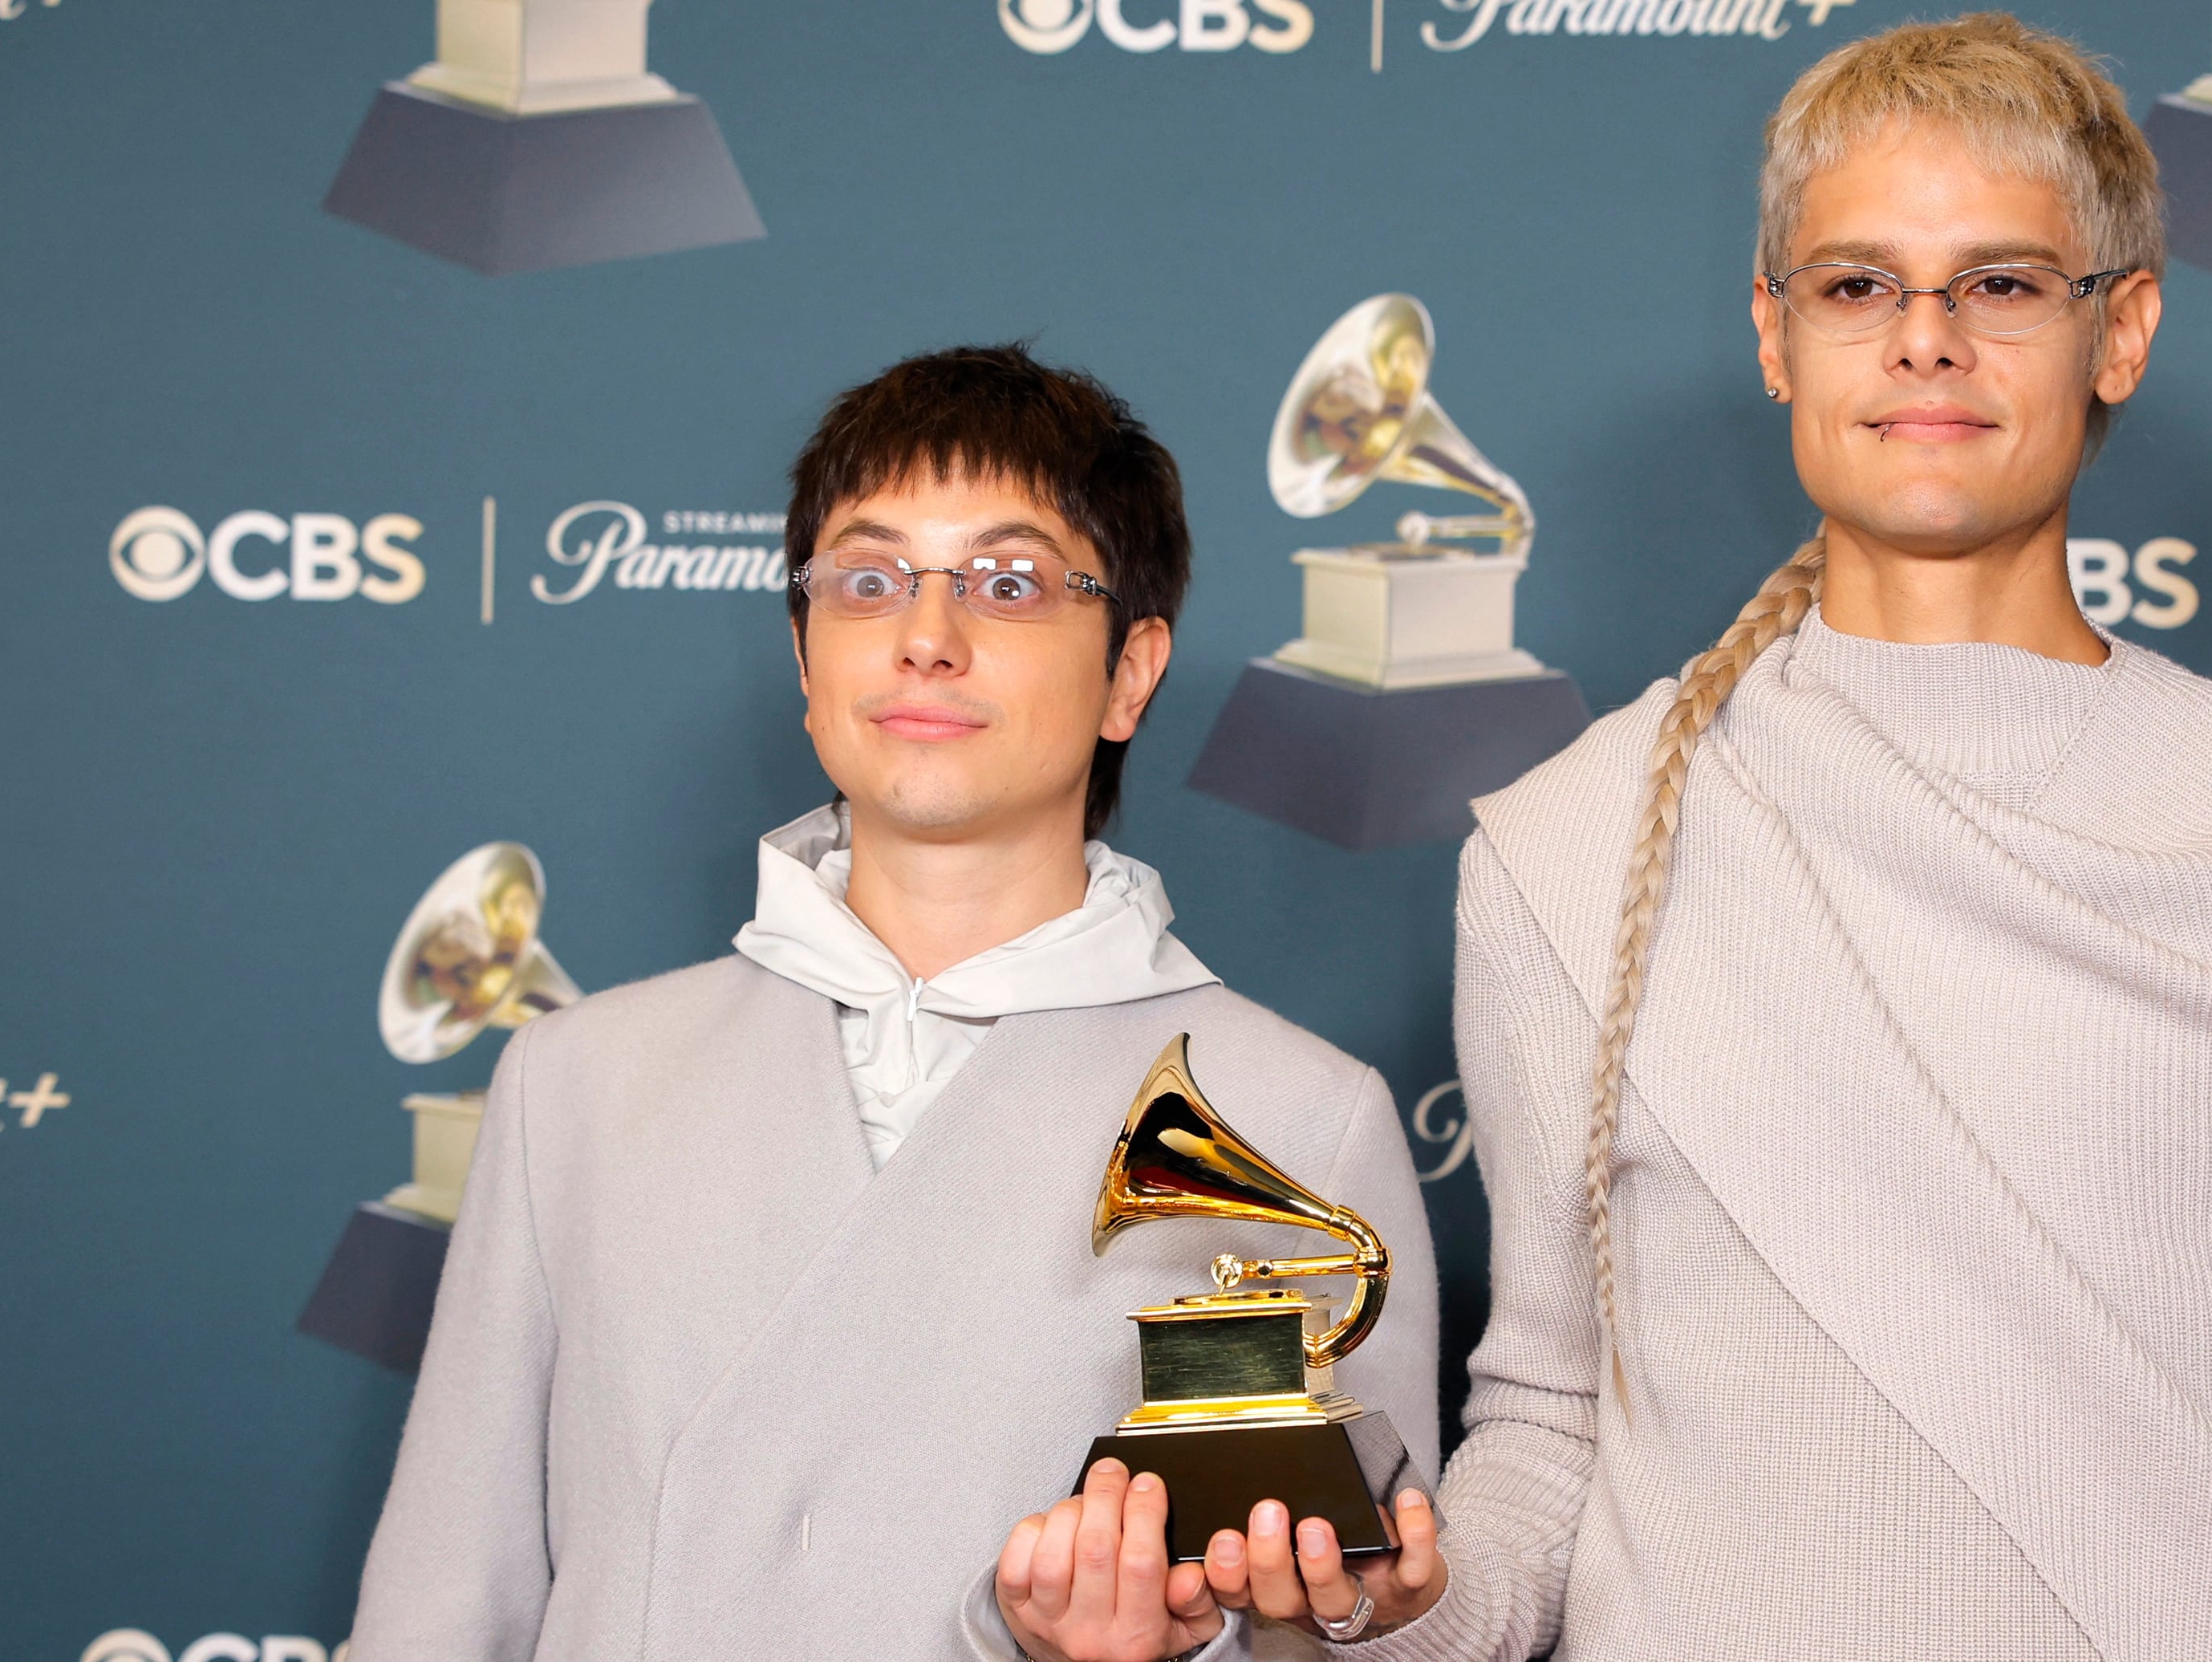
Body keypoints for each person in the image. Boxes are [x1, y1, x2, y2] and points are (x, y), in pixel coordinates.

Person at [1203, 14, 2212, 1658]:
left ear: (2119, 331)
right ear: (1774, 336)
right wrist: (1392, 1606)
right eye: (1855, 286)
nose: (1923, 340)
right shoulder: (1572, 844)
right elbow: (1548, 1431)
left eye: (2000, 282)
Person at [345, 345, 1439, 1662]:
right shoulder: (573, 1081)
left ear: (1130, 674)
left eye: (1009, 582)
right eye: (867, 581)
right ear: (804, 658)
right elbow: (438, 1608)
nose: (928, 636)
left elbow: (1331, 1624)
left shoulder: (1303, 1119)